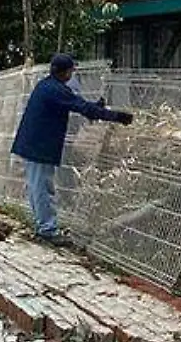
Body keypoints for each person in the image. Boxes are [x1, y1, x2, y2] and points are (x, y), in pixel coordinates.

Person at [10, 54, 133, 246]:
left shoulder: (47, 86)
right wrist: (117, 116)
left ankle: (43, 226)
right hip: (39, 146)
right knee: (43, 188)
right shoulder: (56, 90)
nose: (72, 75)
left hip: (32, 144)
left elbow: (78, 104)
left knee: (37, 187)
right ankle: (47, 231)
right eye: (71, 71)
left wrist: (93, 107)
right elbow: (81, 107)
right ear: (66, 72)